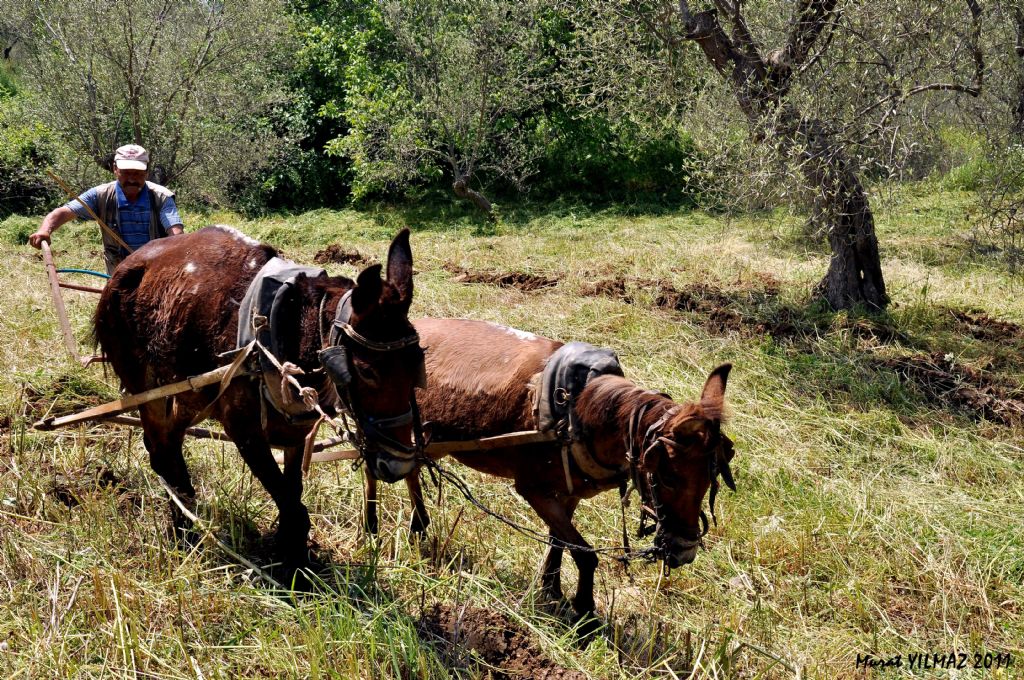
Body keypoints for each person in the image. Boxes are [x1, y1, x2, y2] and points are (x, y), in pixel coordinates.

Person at [28, 144, 184, 274]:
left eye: (137, 174)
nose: (131, 179)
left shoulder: (161, 196)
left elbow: (175, 232)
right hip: (119, 272)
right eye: (126, 173)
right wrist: (45, 230)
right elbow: (64, 212)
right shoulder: (100, 195)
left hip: (156, 271)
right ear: (115, 169)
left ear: (147, 172)